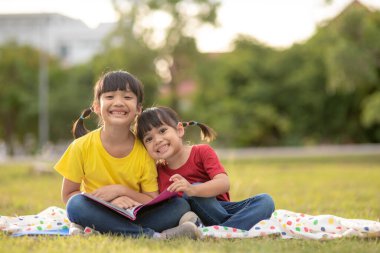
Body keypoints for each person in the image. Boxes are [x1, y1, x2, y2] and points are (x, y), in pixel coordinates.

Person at [54, 71, 200, 239]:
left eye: (127, 97)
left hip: (136, 213)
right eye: (109, 97)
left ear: (138, 108)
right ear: (96, 106)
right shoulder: (80, 147)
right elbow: (68, 195)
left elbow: (150, 199)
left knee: (179, 205)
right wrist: (108, 202)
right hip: (97, 211)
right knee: (75, 205)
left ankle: (97, 230)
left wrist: (121, 191)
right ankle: (153, 237)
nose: (118, 103)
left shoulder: (144, 152)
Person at [136, 106, 275, 231]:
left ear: (179, 130)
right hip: (188, 218)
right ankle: (224, 229)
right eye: (149, 139)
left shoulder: (202, 152)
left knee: (265, 201)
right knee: (179, 204)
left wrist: (192, 189)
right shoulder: (156, 171)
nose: (157, 140)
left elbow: (224, 183)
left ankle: (218, 231)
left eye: (162, 130)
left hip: (219, 209)